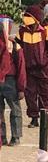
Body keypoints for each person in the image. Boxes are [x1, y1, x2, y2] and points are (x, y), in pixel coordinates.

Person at [17, 8, 48, 128]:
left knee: (45, 94)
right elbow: (17, 47)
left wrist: (45, 60)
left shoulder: (45, 32)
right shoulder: (21, 32)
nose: (26, 19)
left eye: (29, 16)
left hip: (43, 69)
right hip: (28, 69)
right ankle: (34, 118)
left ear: (36, 19)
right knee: (30, 95)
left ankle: (45, 118)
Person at [0, 17, 25, 146]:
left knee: (14, 109)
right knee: (10, 110)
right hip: (5, 80)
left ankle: (14, 136)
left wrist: (21, 88)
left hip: (10, 81)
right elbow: (21, 68)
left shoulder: (14, 45)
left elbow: (20, 67)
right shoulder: (12, 45)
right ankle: (4, 137)